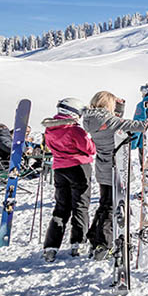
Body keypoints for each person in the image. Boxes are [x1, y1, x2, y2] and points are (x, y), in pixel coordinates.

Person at [82, 91, 147, 259]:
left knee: (105, 204)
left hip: (103, 167)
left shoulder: (91, 119)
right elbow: (133, 125)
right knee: (113, 207)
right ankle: (104, 244)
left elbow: (115, 124)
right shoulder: (108, 120)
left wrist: (121, 107)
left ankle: (94, 237)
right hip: (116, 168)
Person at [43, 98, 96, 262]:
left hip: (59, 168)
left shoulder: (50, 129)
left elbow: (50, 147)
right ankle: (78, 243)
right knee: (80, 205)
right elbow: (90, 149)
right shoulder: (75, 130)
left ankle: (51, 247)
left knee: (61, 207)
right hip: (78, 168)